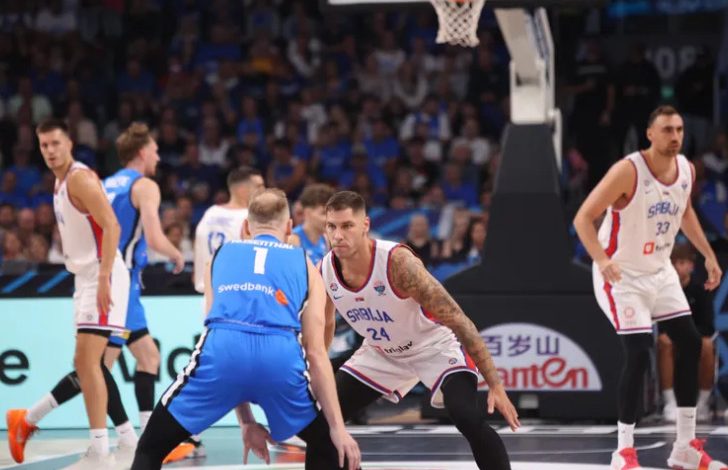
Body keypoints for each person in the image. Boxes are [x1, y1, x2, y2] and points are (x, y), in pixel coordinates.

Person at [245, 190, 519, 470]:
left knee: (466, 416)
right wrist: (320, 370)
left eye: (347, 226)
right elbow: (325, 324)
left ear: (365, 225)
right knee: (321, 423)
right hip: (381, 353)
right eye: (332, 227)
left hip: (433, 346)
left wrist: (495, 384)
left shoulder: (398, 263)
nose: (338, 236)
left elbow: (459, 319)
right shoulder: (324, 269)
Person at [131, 189, 361, 470]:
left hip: (223, 354)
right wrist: (337, 428)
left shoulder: (218, 257)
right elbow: (315, 352)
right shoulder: (305, 264)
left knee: (150, 448)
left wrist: (247, 422)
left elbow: (219, 331)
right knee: (332, 449)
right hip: (279, 359)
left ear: (245, 228)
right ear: (289, 227)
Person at [573, 105, 726, 470]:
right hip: (621, 275)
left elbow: (684, 211)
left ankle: (685, 447)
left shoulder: (686, 169)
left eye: (680, 130)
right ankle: (623, 451)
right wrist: (602, 259)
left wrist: (708, 254)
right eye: (667, 130)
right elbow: (583, 218)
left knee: (691, 342)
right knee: (640, 352)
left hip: (660, 270)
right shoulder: (628, 170)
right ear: (650, 134)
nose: (675, 137)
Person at [6, 119, 131, 468]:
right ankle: (122, 438)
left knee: (88, 363)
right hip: (86, 276)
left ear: (70, 143)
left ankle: (100, 447)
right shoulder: (59, 182)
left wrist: (104, 276)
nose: (49, 150)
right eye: (44, 145)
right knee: (91, 364)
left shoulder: (79, 178)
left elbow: (112, 224)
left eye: (55, 143)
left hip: (102, 273)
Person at [170, 165, 263, 461]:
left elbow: (199, 267)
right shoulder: (250, 218)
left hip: (212, 297)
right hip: (240, 298)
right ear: (244, 188)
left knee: (221, 366)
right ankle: (185, 432)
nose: (263, 192)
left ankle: (192, 433)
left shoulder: (209, 215)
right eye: (259, 186)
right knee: (226, 367)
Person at [658, 243, 717, 423]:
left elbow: (708, 326)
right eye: (674, 263)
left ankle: (703, 403)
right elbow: (661, 323)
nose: (678, 267)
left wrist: (688, 336)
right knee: (664, 341)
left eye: (682, 262)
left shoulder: (700, 290)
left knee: (707, 344)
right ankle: (670, 403)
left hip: (696, 337)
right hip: (673, 338)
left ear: (691, 265)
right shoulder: (664, 289)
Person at [288, 183, 334, 266]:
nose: (329, 219)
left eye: (330, 214)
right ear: (307, 212)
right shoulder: (293, 240)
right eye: (323, 213)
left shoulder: (326, 240)